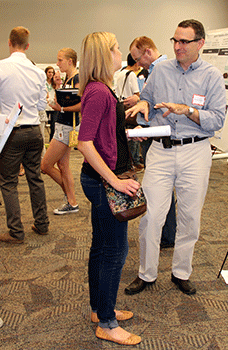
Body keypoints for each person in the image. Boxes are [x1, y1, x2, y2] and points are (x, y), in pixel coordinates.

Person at [124, 19, 226, 295]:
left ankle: (181, 272)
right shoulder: (160, 71)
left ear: (200, 44)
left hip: (196, 151)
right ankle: (146, 274)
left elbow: (218, 119)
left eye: (184, 42)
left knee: (189, 216)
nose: (178, 46)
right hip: (161, 150)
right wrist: (143, 114)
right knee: (151, 216)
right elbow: (146, 99)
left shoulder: (212, 76)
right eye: (175, 40)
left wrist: (187, 110)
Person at [77, 32, 142, 346]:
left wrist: (125, 137)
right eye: (116, 48)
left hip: (99, 177)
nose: (121, 53)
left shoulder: (99, 89)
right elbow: (84, 142)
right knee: (114, 252)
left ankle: (99, 308)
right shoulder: (100, 92)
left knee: (101, 247)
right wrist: (115, 181)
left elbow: (100, 135)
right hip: (104, 181)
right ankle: (107, 322)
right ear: (105, 55)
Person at [0, 26, 49, 244]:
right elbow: (41, 104)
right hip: (34, 131)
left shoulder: (1, 68)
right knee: (35, 179)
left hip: (12, 132)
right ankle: (42, 223)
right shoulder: (38, 72)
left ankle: (16, 232)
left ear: (9, 43)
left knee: (8, 182)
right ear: (28, 46)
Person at [129, 36, 176, 248]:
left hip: (159, 136)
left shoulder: (163, 70)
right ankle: (165, 233)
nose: (138, 64)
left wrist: (146, 127)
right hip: (151, 134)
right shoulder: (152, 71)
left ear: (148, 52)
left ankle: (167, 235)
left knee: (162, 188)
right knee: (158, 187)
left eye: (138, 59)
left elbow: (163, 107)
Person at [41, 48, 80, 215]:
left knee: (45, 165)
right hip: (64, 126)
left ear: (70, 61)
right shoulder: (68, 79)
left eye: (60, 60)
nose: (57, 64)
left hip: (67, 128)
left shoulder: (77, 79)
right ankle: (71, 201)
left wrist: (62, 107)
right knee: (63, 165)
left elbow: (82, 104)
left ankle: (71, 198)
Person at [115, 53, 143, 172]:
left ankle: (130, 161)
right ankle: (135, 162)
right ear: (136, 62)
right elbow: (136, 94)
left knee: (125, 134)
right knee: (134, 135)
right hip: (131, 107)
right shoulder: (131, 74)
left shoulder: (120, 73)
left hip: (121, 106)